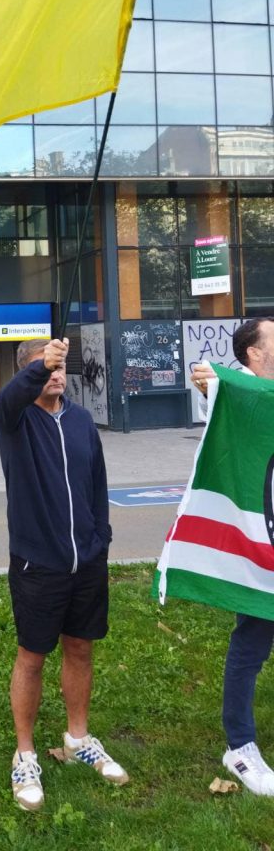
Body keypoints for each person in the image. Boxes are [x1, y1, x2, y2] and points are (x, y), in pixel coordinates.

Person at [0, 336, 126, 812]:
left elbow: (97, 485)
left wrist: (100, 542)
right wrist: (35, 367)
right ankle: (24, 752)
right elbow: (7, 398)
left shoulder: (83, 421)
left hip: (86, 562)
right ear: (26, 372)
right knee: (32, 656)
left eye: (58, 366)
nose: (54, 374)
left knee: (81, 647)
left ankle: (78, 738)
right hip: (37, 563)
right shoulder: (14, 419)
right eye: (44, 367)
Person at [191, 317, 274, 796]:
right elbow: (209, 380)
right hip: (258, 548)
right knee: (252, 642)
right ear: (253, 354)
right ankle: (240, 745)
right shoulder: (238, 394)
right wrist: (209, 382)